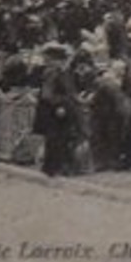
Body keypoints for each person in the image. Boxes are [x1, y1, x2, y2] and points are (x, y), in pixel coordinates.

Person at [35, 43, 79, 177]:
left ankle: (59, 166)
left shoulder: (63, 72)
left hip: (63, 108)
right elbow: (48, 94)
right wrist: (58, 106)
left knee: (62, 138)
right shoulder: (53, 72)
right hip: (55, 111)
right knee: (56, 138)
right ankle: (53, 168)